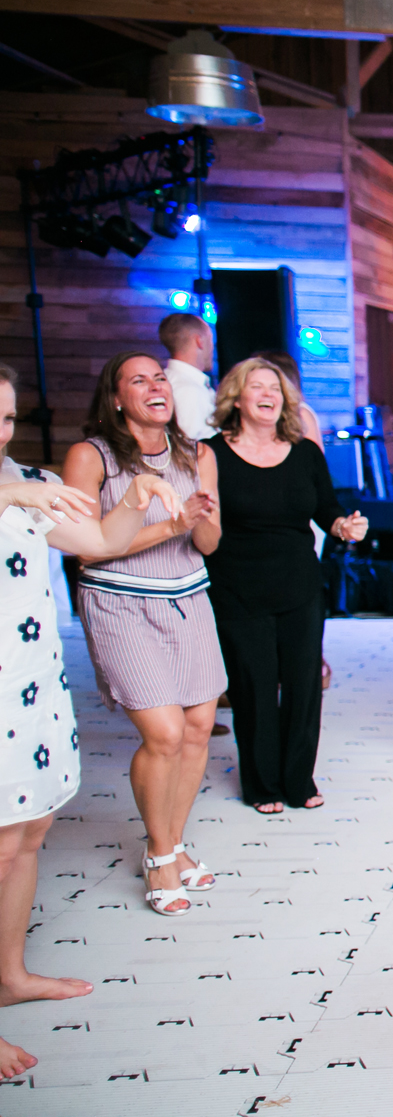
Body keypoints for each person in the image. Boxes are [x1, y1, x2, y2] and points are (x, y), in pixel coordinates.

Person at [0, 363, 178, 1078]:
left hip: (29, 681)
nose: (0, 433)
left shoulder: (23, 477)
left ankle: (8, 971)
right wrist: (16, 489)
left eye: (7, 418)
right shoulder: (18, 484)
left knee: (27, 831)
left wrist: (133, 497)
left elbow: (98, 543)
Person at [63, 353, 224, 917]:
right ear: (115, 398)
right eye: (139, 380)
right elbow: (86, 544)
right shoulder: (91, 456)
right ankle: (159, 855)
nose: (155, 385)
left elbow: (208, 544)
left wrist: (199, 518)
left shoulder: (198, 453)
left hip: (188, 597)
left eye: (160, 377)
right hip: (119, 601)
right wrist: (168, 525)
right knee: (164, 731)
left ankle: (174, 843)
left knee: (199, 727)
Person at [207, 358, 368, 813]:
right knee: (253, 686)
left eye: (275, 388)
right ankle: (261, 784)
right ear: (236, 398)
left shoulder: (304, 452)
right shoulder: (210, 453)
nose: (268, 394)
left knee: (303, 684)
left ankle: (298, 779)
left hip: (298, 582)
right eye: (257, 386)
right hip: (237, 585)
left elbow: (327, 509)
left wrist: (343, 526)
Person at [158, 313, 217, 441]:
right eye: (210, 340)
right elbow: (192, 448)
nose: (212, 347)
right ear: (199, 341)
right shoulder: (188, 390)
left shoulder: (168, 380)